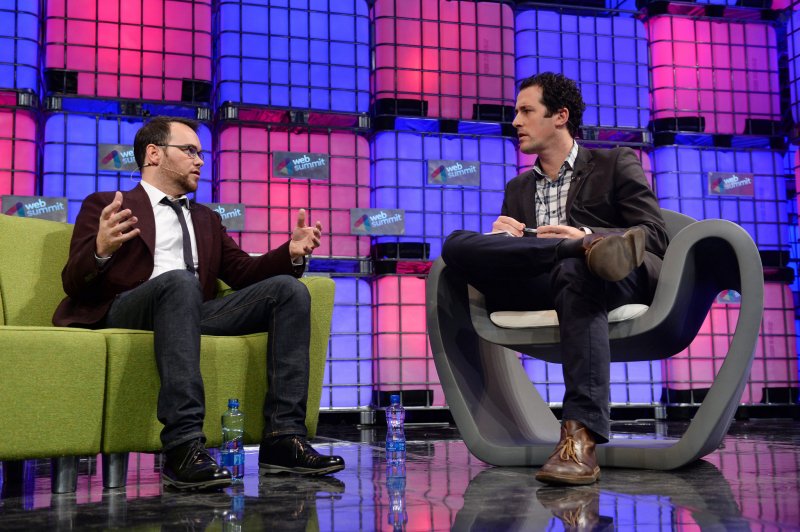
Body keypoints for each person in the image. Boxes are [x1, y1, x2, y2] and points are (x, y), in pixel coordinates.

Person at [52, 116, 345, 491]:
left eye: (201, 153)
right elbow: (72, 282)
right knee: (178, 283)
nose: (200, 161)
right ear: (154, 154)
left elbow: (242, 272)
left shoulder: (207, 218)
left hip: (189, 310)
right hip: (127, 309)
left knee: (289, 291)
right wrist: (100, 251)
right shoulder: (106, 205)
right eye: (190, 151)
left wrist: (288, 253)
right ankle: (183, 447)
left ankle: (283, 438)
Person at [441, 73, 669, 486]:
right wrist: (502, 242)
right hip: (543, 281)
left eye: (526, 111)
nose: (516, 121)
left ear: (560, 116)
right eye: (516, 113)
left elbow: (655, 235)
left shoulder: (615, 163)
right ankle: (569, 251)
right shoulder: (518, 188)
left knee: (576, 266)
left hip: (609, 278)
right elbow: (516, 256)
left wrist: (588, 238)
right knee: (456, 244)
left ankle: (579, 436)